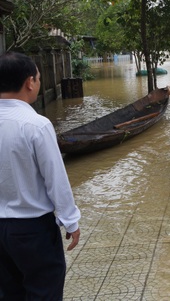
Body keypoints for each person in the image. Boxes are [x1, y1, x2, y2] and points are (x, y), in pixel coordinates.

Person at [0, 52, 81, 299]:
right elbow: (55, 179)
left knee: (8, 293)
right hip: (32, 230)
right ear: (29, 83)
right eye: (38, 77)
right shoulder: (36, 125)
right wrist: (70, 220)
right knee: (44, 291)